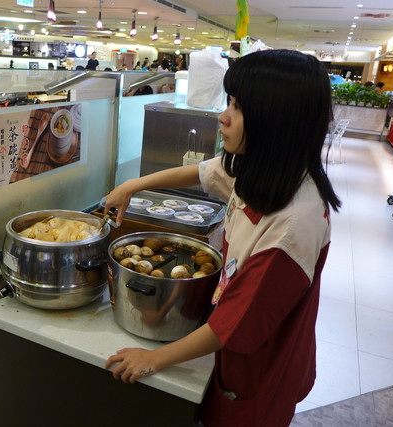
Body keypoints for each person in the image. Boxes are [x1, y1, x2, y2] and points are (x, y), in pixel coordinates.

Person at [104, 49, 341, 427]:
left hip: (260, 368)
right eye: (229, 101)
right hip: (232, 349)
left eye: (239, 107)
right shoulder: (261, 169)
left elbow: (238, 322)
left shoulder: (293, 225)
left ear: (277, 120)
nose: (223, 116)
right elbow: (201, 172)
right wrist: (132, 186)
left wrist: (154, 358)